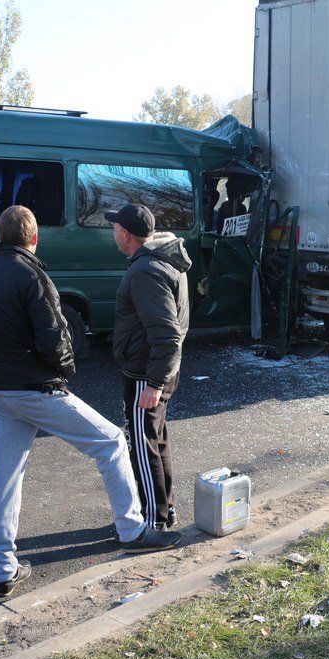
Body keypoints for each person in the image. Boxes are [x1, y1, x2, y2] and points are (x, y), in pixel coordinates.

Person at [0, 205, 180, 597]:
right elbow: (54, 337)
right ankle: (131, 529)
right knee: (111, 441)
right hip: (37, 388)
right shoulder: (33, 275)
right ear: (33, 238)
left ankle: (4, 565)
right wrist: (64, 370)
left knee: (4, 477)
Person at [108, 204, 192, 530]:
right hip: (156, 370)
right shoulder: (159, 263)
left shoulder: (145, 271)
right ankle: (165, 510)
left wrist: (154, 384)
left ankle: (152, 522)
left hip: (147, 373)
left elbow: (167, 334)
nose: (113, 232)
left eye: (115, 228)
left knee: (143, 447)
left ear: (126, 235)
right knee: (156, 440)